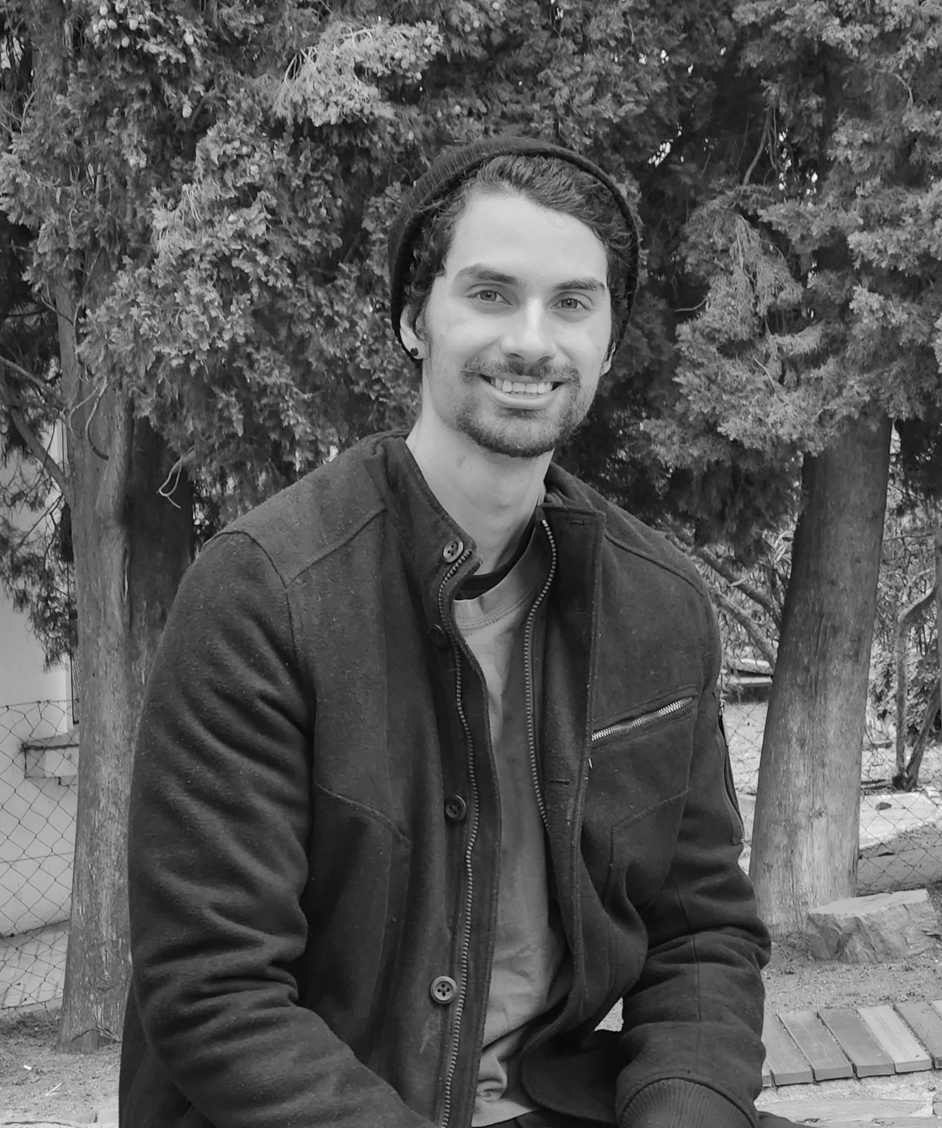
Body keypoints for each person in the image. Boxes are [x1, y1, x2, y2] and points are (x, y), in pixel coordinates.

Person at [119, 136, 800, 1128]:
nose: (533, 340)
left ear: (608, 341)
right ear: (414, 320)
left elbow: (700, 938)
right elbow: (215, 991)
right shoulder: (264, 593)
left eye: (572, 303)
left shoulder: (658, 606)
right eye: (490, 293)